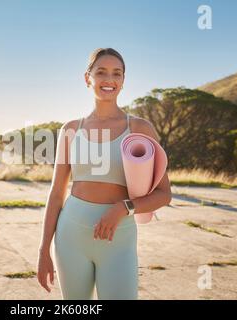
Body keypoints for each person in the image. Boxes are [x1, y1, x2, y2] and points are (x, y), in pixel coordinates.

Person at [36, 48, 172, 300]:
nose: (109, 79)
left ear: (123, 81)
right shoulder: (71, 130)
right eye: (101, 72)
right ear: (87, 78)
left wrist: (125, 207)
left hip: (119, 239)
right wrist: (44, 249)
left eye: (116, 73)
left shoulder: (140, 128)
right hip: (70, 238)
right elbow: (56, 194)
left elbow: (164, 194)